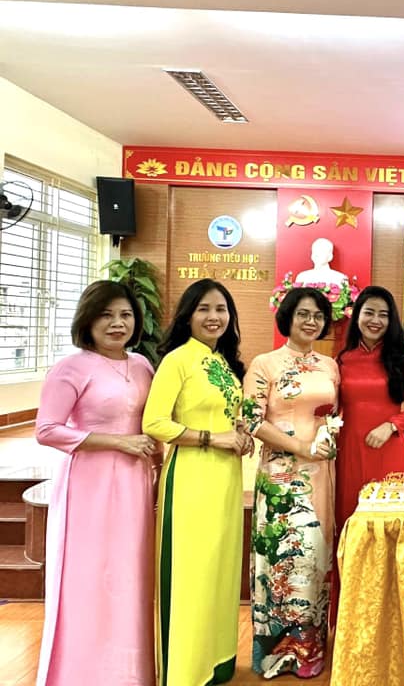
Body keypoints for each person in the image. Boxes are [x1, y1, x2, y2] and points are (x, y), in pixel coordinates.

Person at [34, 280, 156, 686]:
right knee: (88, 577)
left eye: (125, 315)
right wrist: (118, 442)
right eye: (106, 315)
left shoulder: (142, 365)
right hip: (89, 484)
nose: (117, 323)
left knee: (129, 575)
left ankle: (129, 673)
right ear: (87, 320)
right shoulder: (71, 368)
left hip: (135, 482)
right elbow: (47, 430)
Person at [143, 279, 252, 686]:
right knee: (192, 574)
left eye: (221, 309)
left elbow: (224, 414)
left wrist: (239, 432)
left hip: (225, 478)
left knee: (219, 572)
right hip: (191, 477)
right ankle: (185, 671)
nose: (213, 317)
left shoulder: (222, 361)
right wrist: (212, 438)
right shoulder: (177, 360)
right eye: (203, 309)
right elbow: (155, 423)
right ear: (187, 315)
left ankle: (215, 661)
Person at [243, 287, 339, 679]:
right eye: (303, 314)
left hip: (320, 475)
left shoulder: (330, 366)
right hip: (281, 477)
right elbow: (252, 419)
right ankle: (276, 652)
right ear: (287, 317)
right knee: (280, 558)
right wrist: (300, 447)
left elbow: (332, 415)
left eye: (318, 315)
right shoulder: (264, 364)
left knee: (314, 555)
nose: (311, 321)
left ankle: (309, 651)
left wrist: (325, 441)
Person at [335, 285, 404, 527]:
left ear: (391, 321)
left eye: (383, 315)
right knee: (350, 516)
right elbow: (332, 408)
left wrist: (391, 425)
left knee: (390, 519)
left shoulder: (402, 360)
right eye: (369, 312)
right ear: (357, 315)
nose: (375, 320)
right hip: (349, 450)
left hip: (390, 448)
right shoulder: (343, 360)